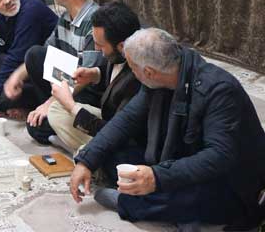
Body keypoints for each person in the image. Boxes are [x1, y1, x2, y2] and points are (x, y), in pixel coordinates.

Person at [69, 28, 265, 231]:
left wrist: (156, 176)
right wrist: (87, 160)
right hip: (179, 159)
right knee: (113, 154)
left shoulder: (219, 89)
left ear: (148, 72)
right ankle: (176, 211)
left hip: (228, 179)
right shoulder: (159, 78)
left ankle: (132, 203)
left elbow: (219, 157)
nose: (132, 73)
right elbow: (126, 120)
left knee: (191, 196)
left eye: (132, 68)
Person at [2, 0, 99, 141]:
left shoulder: (94, 21)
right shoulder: (65, 17)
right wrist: (16, 77)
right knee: (34, 55)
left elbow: (85, 79)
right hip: (64, 82)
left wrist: (49, 104)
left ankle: (55, 120)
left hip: (86, 92)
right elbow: (45, 53)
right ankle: (48, 113)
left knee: (36, 128)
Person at [41, 2, 142, 151]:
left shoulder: (138, 76)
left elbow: (116, 133)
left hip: (122, 138)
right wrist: (95, 74)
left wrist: (71, 106)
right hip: (108, 119)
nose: (96, 48)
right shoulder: (118, 54)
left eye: (100, 45)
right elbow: (112, 72)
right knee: (55, 109)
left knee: (85, 154)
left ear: (121, 46)